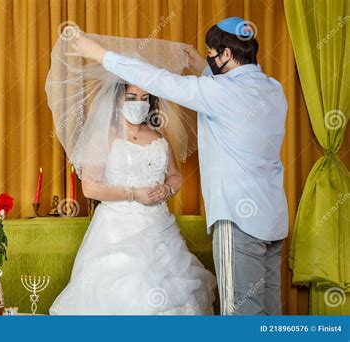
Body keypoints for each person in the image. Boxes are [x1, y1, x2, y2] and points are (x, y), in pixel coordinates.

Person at [76, 17, 288, 315]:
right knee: (269, 309)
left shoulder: (218, 94)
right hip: (273, 217)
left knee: (242, 311)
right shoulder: (273, 90)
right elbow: (230, 92)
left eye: (212, 54)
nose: (210, 59)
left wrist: (100, 54)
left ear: (226, 55)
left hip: (239, 218)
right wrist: (203, 65)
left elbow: (157, 79)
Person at [48, 82, 216, 315]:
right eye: (132, 97)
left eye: (145, 97)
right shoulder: (103, 136)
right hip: (117, 229)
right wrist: (133, 194)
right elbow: (89, 188)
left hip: (160, 229)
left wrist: (166, 189)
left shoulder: (159, 135)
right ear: (117, 99)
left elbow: (175, 176)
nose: (140, 103)